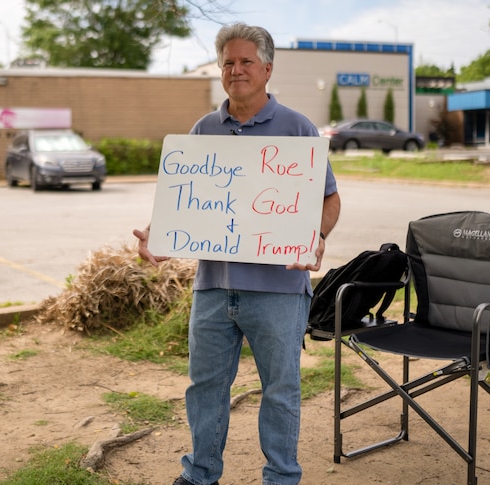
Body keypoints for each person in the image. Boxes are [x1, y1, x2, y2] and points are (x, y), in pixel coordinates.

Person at [133, 22, 341, 485]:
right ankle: (200, 473)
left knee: (281, 391)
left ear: (267, 68)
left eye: (246, 61)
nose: (236, 69)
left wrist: (318, 236)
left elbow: (329, 199)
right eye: (228, 62)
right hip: (213, 289)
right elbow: (185, 201)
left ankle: (282, 477)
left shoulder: (298, 128)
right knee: (204, 387)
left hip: (279, 291)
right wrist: (159, 235)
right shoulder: (204, 129)